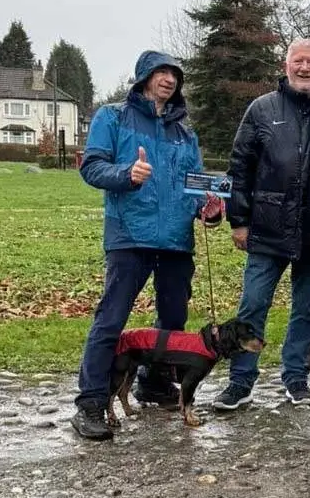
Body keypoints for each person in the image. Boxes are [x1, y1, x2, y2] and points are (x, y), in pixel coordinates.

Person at [72, 50, 223, 440]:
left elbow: (195, 188)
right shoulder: (112, 117)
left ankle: (154, 384)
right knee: (111, 320)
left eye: (175, 75)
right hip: (129, 237)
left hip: (176, 241)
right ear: (144, 77)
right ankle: (91, 401)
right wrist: (128, 173)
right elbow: (92, 167)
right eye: (162, 72)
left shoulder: (185, 134)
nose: (169, 79)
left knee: (173, 321)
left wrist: (208, 210)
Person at [214, 39, 310, 411]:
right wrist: (239, 220)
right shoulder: (262, 109)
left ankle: (296, 378)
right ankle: (240, 381)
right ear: (286, 65)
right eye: (298, 61)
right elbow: (240, 167)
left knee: (305, 310)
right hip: (267, 228)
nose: (305, 68)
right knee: (253, 305)